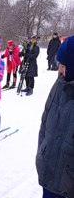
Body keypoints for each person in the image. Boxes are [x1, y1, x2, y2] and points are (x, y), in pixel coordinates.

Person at [36, 35, 74, 198]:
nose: (59, 69)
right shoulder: (60, 83)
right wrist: (42, 154)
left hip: (68, 185)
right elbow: (45, 122)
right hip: (49, 176)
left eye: (64, 65)